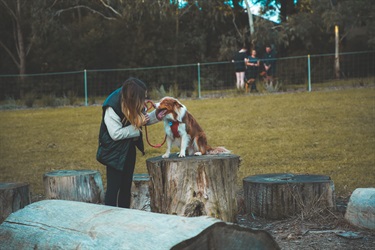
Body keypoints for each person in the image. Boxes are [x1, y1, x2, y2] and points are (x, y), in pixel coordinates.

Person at [96, 77, 163, 208]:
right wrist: (136, 128)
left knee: (126, 187)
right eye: (142, 98)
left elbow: (143, 119)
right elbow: (115, 134)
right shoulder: (112, 105)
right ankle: (107, 219)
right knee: (113, 189)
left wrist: (157, 115)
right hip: (113, 151)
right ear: (133, 97)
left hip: (129, 147)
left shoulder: (134, 101)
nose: (144, 101)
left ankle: (124, 217)